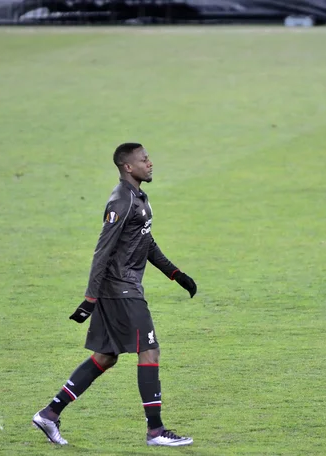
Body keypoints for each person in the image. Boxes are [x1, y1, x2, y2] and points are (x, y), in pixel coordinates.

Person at [32, 143, 198, 446]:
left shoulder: (139, 198)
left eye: (148, 158)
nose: (150, 163)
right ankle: (156, 431)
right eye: (143, 160)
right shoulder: (120, 201)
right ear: (127, 167)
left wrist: (176, 274)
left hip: (124, 288)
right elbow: (102, 251)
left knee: (106, 357)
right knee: (149, 351)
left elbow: (146, 242)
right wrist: (90, 298)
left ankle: (49, 414)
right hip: (120, 289)